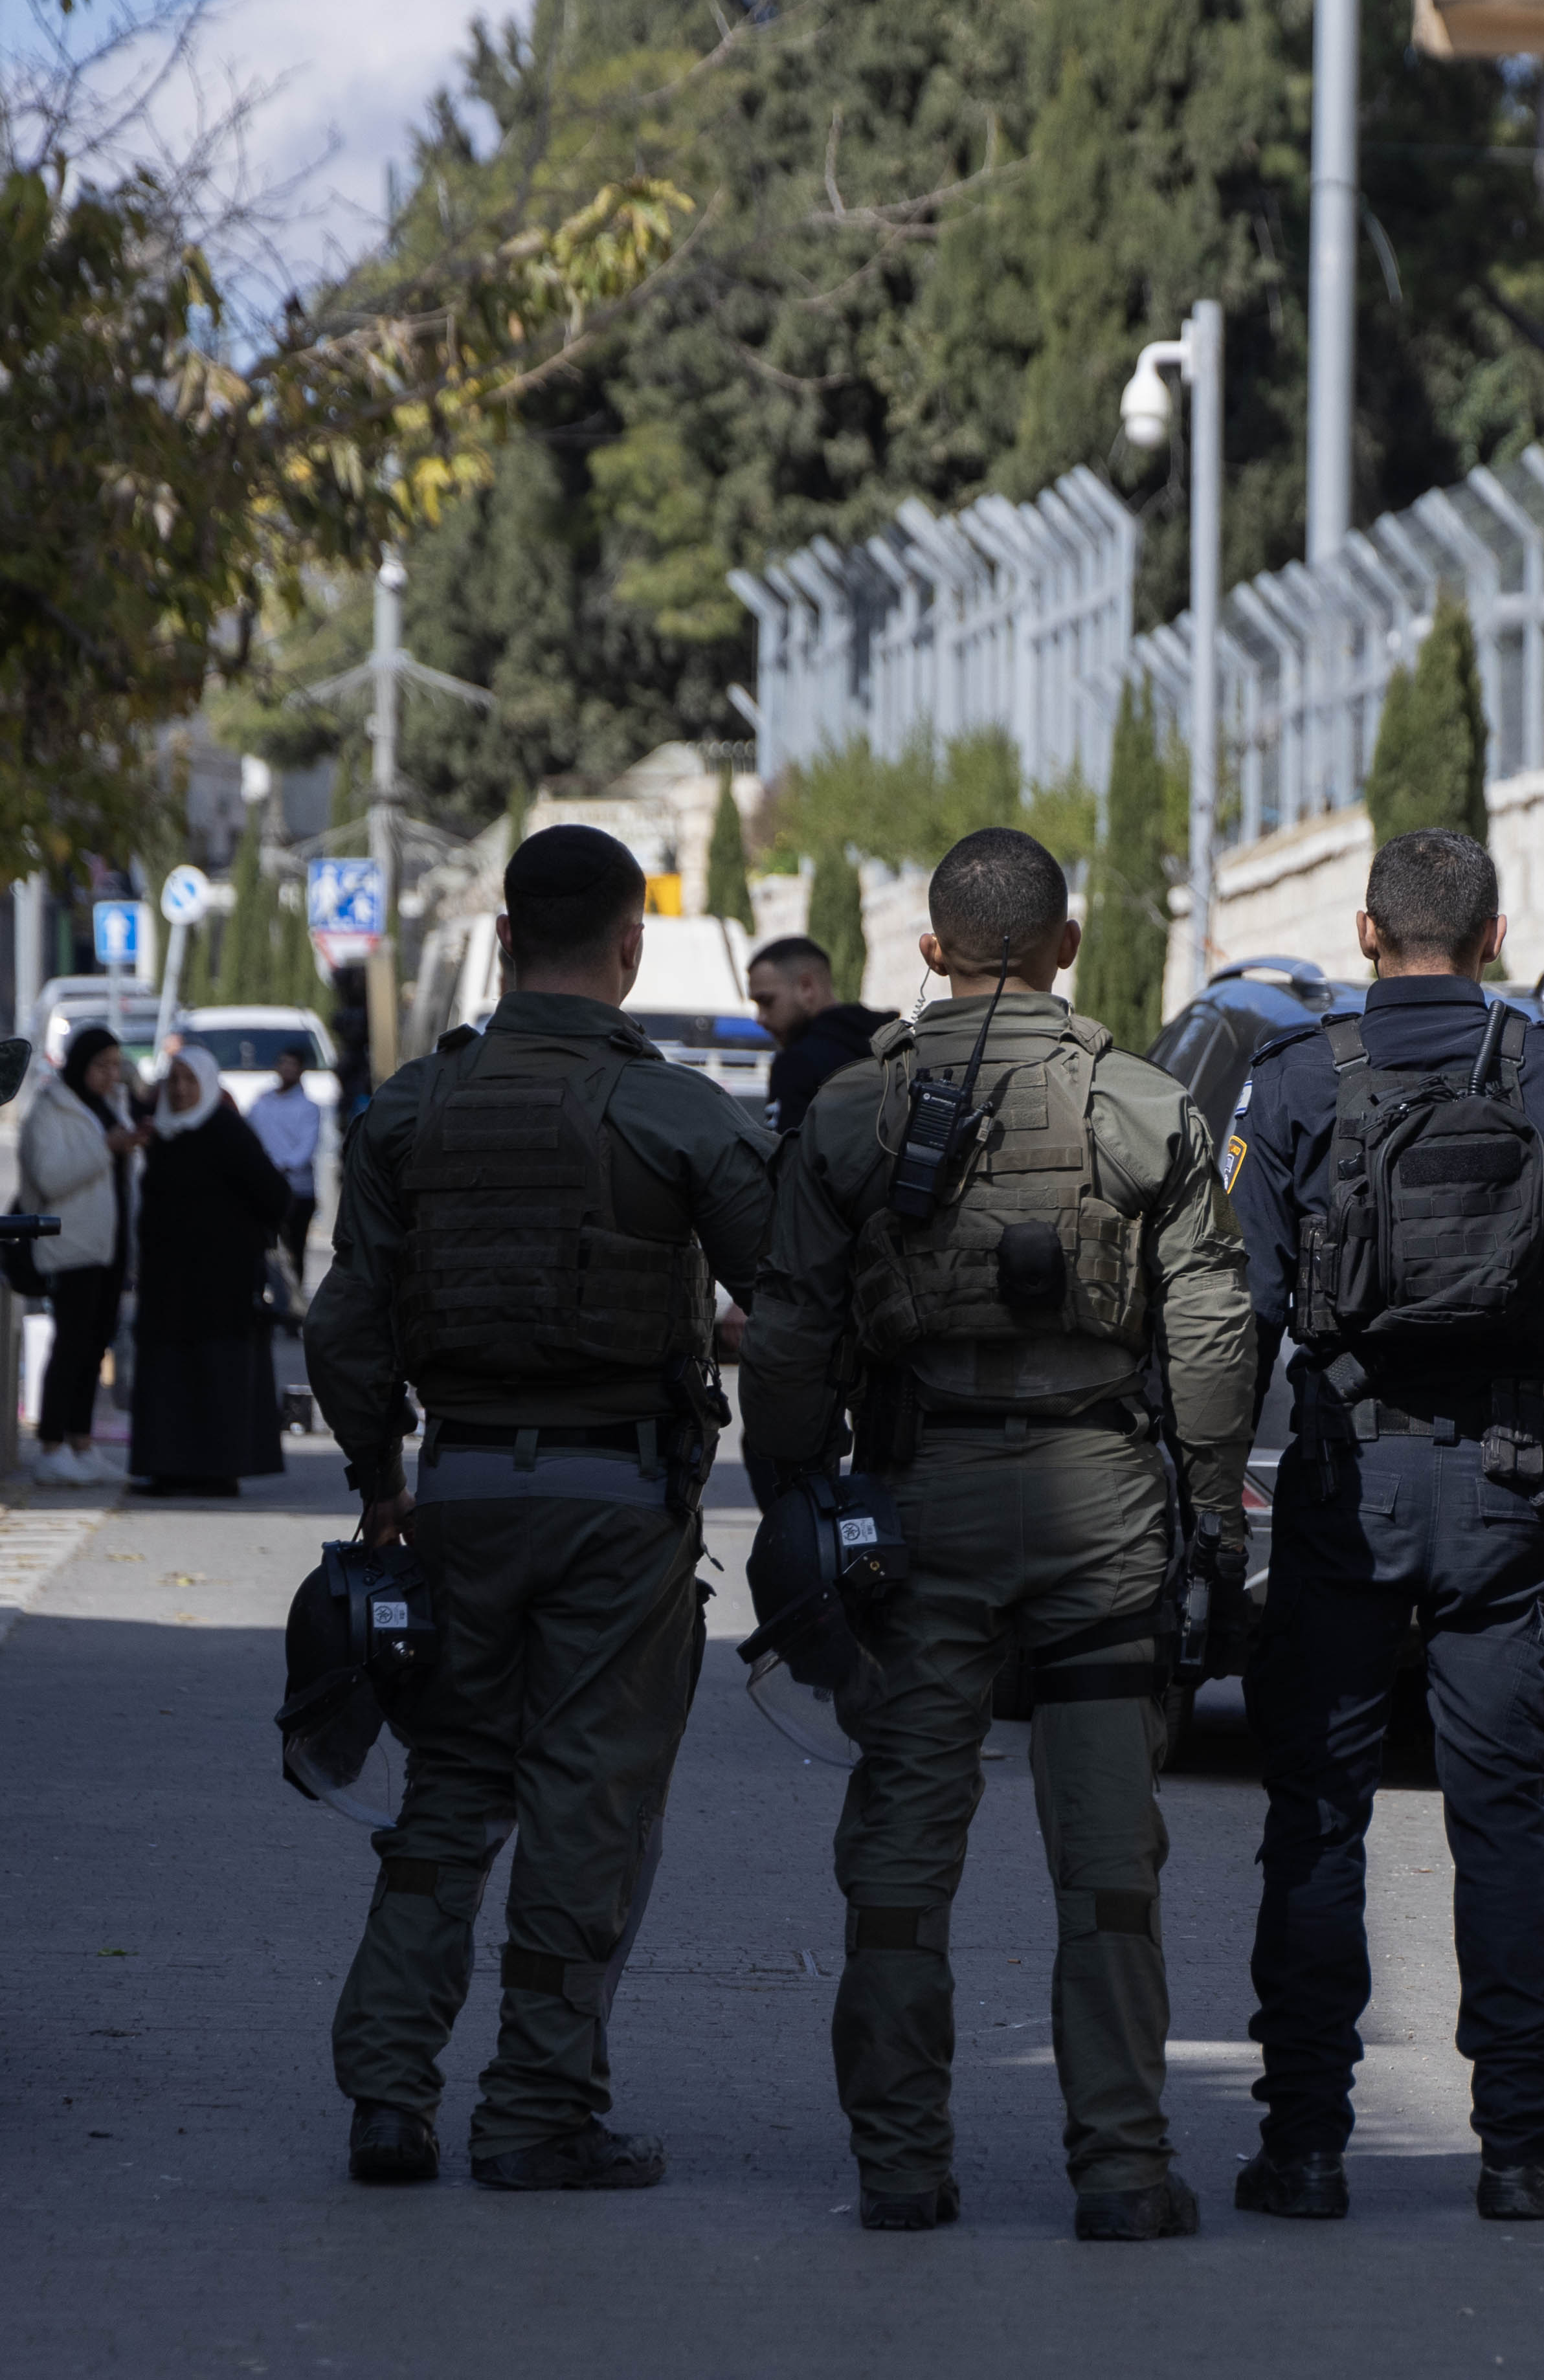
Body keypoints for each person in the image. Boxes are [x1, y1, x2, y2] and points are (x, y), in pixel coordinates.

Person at [742, 826, 1258, 2243]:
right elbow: (1213, 1334)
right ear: (1067, 945)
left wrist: (798, 1490)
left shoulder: (854, 1110)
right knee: (1107, 1863)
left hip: (919, 1511)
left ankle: (901, 2168)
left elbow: (787, 1332)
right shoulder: (1143, 1105)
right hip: (1103, 1509)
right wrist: (1211, 1514)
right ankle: (1124, 2169)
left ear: (929, 950)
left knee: (902, 1856)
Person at [1226, 826, 1544, 2225]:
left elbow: (1236, 1314)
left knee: (1318, 1814)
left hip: (1339, 1489)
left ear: (1365, 933)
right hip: (1505, 1489)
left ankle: (1305, 2146)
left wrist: (1197, 1494)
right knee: (1500, 1819)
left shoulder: (1293, 1078)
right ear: (1494, 938)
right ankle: (1523, 2149)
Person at [305, 825, 775, 2193]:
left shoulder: (412, 1107)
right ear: (631, 947)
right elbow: (794, 1301)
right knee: (586, 1801)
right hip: (618, 1502)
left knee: (451, 1787)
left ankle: (387, 2094)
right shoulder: (678, 1113)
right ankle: (536, 2113)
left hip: (454, 1492)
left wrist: (381, 1481)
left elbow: (344, 1326)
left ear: (504, 939)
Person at [126, 1046, 289, 1495]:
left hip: (220, 1285)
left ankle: (217, 1472)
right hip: (168, 1286)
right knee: (169, 1374)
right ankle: (168, 1469)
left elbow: (275, 1196)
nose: (180, 1090)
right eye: (173, 1080)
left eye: (189, 1081)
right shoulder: (163, 1134)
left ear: (208, 1085)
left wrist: (232, 1232)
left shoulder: (226, 1130)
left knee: (216, 1372)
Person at [19, 1029, 142, 1485]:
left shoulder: (109, 1107)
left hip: (108, 1246)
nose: (111, 1075)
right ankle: (51, 1446)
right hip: (69, 1246)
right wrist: (106, 1147)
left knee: (94, 1348)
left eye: (116, 1065)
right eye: (101, 1066)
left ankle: (81, 1442)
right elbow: (50, 1177)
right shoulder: (51, 1110)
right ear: (80, 1065)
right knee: (70, 1348)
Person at [750, 934, 894, 1142]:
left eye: (767, 1001)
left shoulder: (795, 1064)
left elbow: (784, 1157)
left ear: (806, 987)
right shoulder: (888, 1046)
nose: (760, 1018)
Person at [247, 1044, 323, 1307]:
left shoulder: (309, 1108)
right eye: (284, 1064)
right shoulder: (261, 1104)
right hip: (265, 1188)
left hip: (297, 1190)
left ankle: (292, 1304)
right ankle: (262, 1301)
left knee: (294, 1250)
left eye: (293, 1065)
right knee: (261, 1248)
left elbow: (306, 1149)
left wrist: (281, 1166)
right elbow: (250, 1138)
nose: (287, 1069)